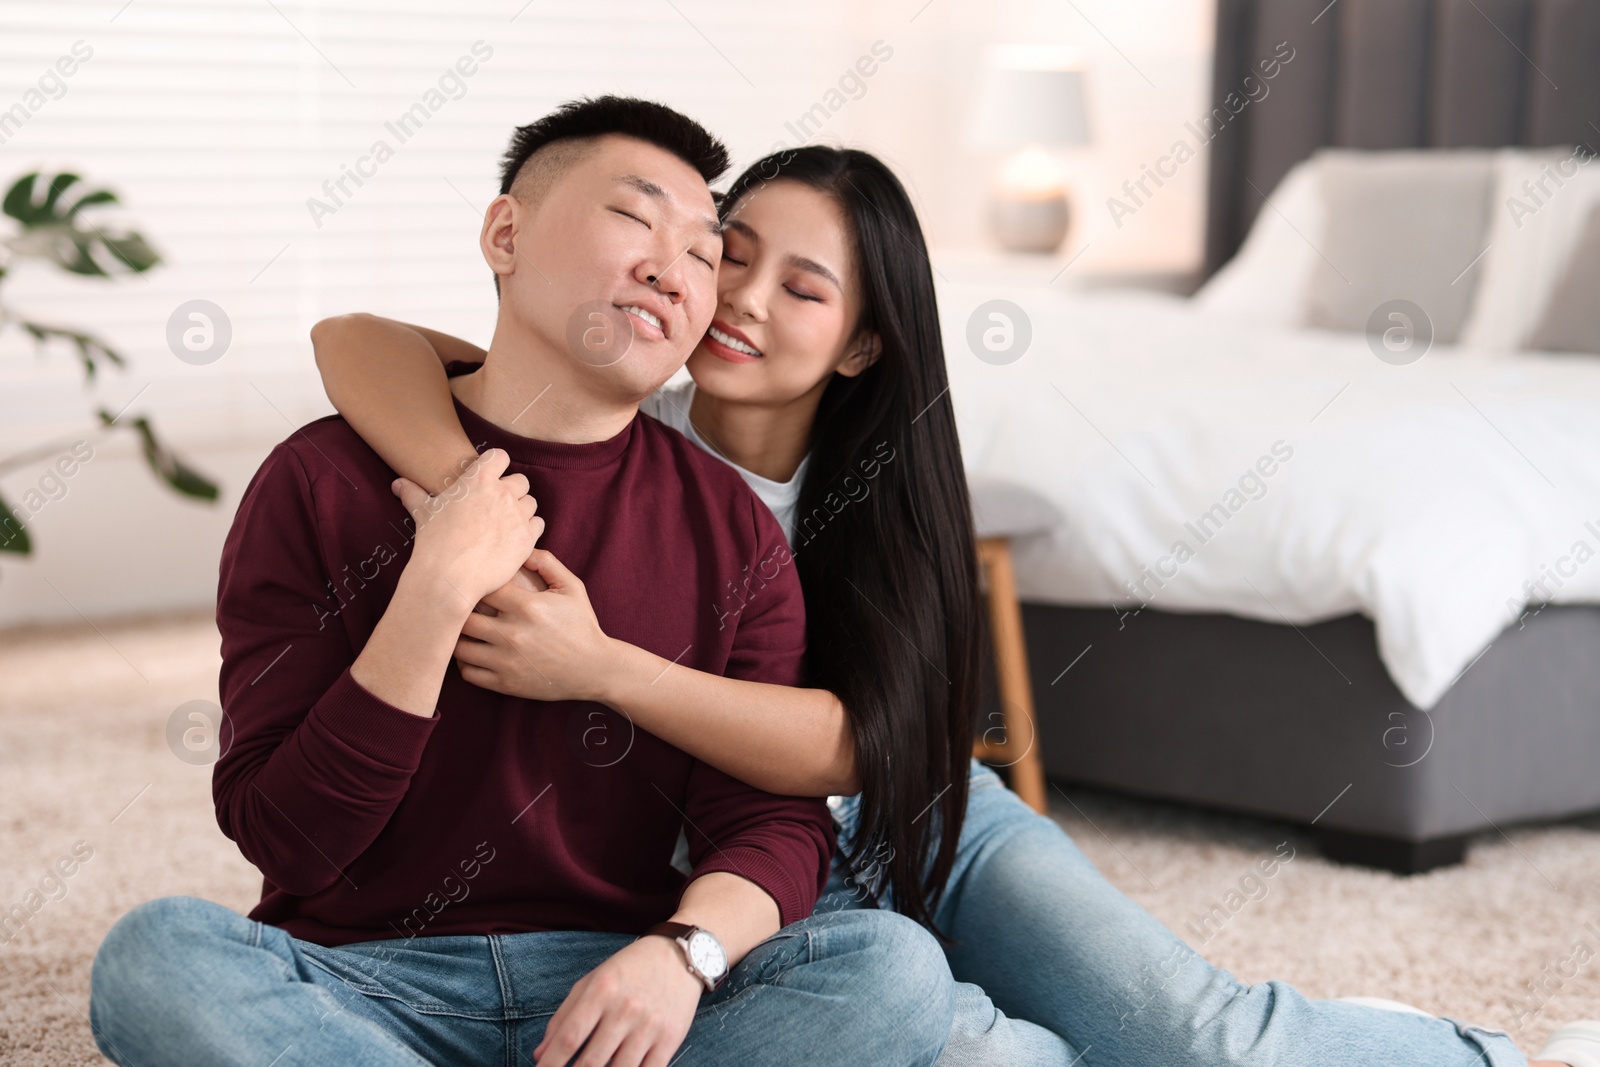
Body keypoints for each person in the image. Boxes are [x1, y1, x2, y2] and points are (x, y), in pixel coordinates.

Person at [309, 136, 1599, 1067]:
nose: (741, 302)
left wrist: (602, 665)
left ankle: (1479, 1054)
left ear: (863, 341)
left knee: (1188, 1033)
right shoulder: (606, 410)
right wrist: (467, 492)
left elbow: (866, 742)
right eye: (729, 254)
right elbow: (353, 338)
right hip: (738, 865)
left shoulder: (881, 492)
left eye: (802, 288)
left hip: (921, 815)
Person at [86, 98, 957, 1067]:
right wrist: (434, 588)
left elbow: (767, 819)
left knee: (895, 971)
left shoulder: (732, 527)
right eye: (634, 218)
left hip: (615, 988)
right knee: (154, 957)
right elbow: (285, 838)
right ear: (507, 232)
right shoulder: (317, 479)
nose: (671, 269)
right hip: (365, 981)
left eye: (703, 254)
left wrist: (678, 956)